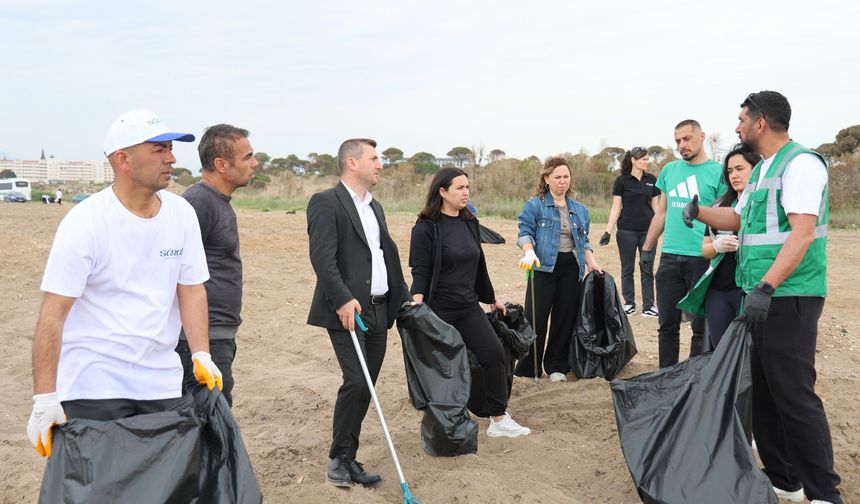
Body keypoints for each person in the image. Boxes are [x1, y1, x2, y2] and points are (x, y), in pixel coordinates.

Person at [26, 108, 222, 460]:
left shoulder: (181, 214)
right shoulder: (86, 222)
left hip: (159, 379)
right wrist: (44, 397)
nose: (172, 158)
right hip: (94, 383)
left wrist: (201, 353)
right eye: (159, 149)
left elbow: (191, 288)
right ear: (123, 159)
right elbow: (53, 313)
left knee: (161, 485)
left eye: (170, 148)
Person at [683, 91, 842, 504]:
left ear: (761, 122)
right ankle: (785, 480)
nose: (736, 127)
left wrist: (767, 287)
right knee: (765, 392)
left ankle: (824, 492)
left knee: (793, 393)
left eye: (741, 119)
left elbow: (802, 234)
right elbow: (736, 218)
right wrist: (700, 213)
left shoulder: (801, 164)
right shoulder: (762, 170)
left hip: (789, 295)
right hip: (759, 294)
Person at [307, 138, 410, 488]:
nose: (380, 164)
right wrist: (341, 299)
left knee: (366, 385)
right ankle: (337, 458)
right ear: (352, 163)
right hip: (347, 311)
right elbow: (322, 257)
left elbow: (386, 255)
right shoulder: (325, 202)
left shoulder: (374, 206)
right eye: (374, 158)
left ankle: (349, 457)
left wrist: (404, 299)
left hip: (380, 309)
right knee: (355, 380)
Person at [409, 167, 531, 436]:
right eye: (459, 188)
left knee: (493, 353)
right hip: (438, 309)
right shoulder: (426, 228)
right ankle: (448, 422)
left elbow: (478, 266)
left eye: (467, 187)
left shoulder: (469, 222)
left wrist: (490, 299)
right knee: (446, 367)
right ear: (442, 192)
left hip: (467, 306)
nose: (465, 193)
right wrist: (417, 302)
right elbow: (420, 270)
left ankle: (498, 419)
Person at [174, 124, 258, 407]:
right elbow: (175, 269)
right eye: (247, 157)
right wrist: (198, 347)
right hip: (199, 341)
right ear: (221, 164)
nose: (254, 163)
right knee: (207, 425)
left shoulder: (217, 201)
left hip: (218, 335)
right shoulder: (198, 202)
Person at [641, 120, 724, 368]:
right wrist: (647, 248)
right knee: (667, 325)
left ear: (702, 136)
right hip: (669, 258)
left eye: (687, 139)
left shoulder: (718, 173)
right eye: (678, 141)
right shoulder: (669, 170)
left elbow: (723, 216)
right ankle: (666, 375)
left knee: (700, 327)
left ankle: (694, 378)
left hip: (702, 258)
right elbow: (662, 213)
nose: (682, 145)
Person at [514, 157, 603, 382]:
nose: (562, 181)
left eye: (566, 177)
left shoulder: (580, 210)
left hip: (570, 269)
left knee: (564, 318)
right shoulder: (535, 205)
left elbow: (584, 241)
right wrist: (528, 251)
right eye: (557, 177)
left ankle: (556, 365)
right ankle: (528, 367)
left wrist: (590, 261)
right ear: (546, 179)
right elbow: (524, 231)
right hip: (542, 267)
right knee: (536, 318)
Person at [678, 144, 759, 348]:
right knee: (721, 350)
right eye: (730, 171)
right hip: (718, 291)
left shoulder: (763, 207)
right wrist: (718, 245)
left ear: (756, 170)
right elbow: (704, 251)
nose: (734, 175)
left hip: (748, 290)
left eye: (740, 169)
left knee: (749, 349)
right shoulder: (718, 208)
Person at [601, 147, 660, 317]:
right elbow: (615, 208)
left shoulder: (652, 180)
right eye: (644, 159)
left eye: (648, 159)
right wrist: (608, 231)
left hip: (648, 232)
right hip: (626, 231)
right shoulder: (622, 181)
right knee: (627, 268)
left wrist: (660, 229)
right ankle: (629, 304)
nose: (647, 162)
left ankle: (649, 306)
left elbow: (657, 208)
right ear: (634, 160)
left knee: (647, 267)